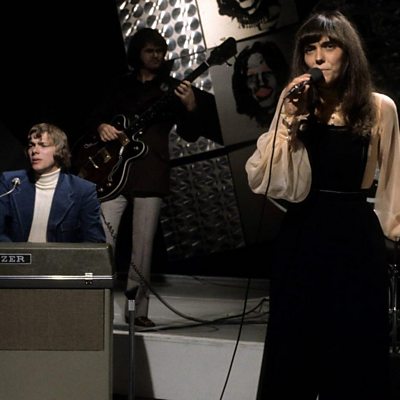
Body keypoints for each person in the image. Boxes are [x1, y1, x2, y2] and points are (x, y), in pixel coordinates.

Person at [245, 9, 399, 400]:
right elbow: (265, 179)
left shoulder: (379, 107)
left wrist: (393, 235)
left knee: (354, 349)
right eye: (310, 48)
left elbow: (393, 182)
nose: (318, 57)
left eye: (329, 46)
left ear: (348, 53)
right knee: (294, 348)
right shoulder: (297, 108)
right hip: (303, 234)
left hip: (354, 236)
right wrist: (287, 122)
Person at [83, 28, 220, 328]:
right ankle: (93, 310)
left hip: (149, 171)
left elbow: (190, 134)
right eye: (150, 50)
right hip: (114, 173)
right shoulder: (120, 85)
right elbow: (95, 117)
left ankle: (136, 311)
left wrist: (191, 106)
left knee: (142, 251)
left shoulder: (173, 88)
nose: (157, 55)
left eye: (160, 50)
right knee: (102, 244)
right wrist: (102, 126)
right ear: (138, 53)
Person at [0, 122, 106, 243]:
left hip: (62, 256)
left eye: (43, 145)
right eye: (31, 145)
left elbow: (94, 241)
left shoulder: (82, 190)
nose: (34, 150)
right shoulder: (10, 182)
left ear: (59, 151)